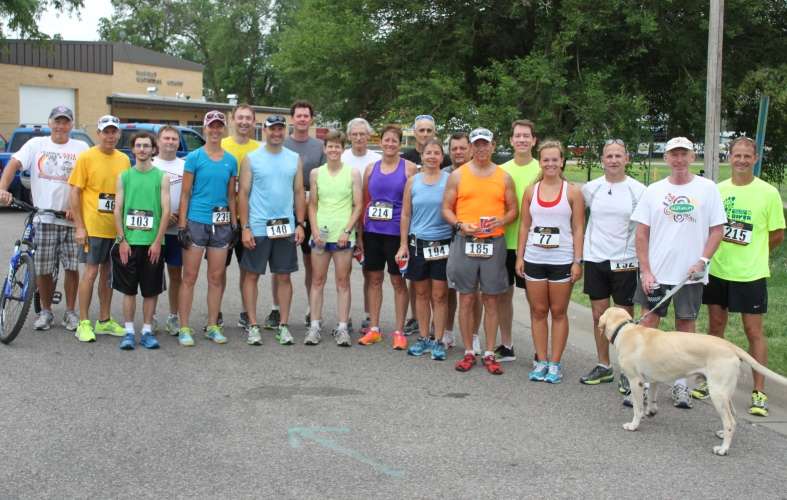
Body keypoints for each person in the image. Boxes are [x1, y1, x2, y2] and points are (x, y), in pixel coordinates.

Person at [631, 136, 726, 408]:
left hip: (690, 276)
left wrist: (703, 260)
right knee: (647, 327)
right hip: (657, 275)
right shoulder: (654, 190)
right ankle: (643, 384)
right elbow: (642, 233)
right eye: (674, 154)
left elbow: (717, 229)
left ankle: (681, 386)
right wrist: (646, 271)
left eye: (684, 154)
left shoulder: (707, 189)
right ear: (667, 158)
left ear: (692, 156)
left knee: (686, 330)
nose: (679, 159)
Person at [700, 136, 785, 416]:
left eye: (747, 156)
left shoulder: (768, 193)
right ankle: (709, 380)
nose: (741, 161)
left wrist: (755, 252)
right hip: (719, 271)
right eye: (737, 155)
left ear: (756, 158)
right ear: (729, 157)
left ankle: (759, 392)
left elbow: (776, 235)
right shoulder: (717, 190)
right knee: (716, 329)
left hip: (750, 275)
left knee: (753, 332)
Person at [0, 105, 87, 331]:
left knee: (71, 267)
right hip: (44, 218)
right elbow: (13, 165)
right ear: (50, 123)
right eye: (57, 121)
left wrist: (77, 209)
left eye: (65, 121)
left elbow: (88, 181)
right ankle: (46, 311)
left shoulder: (81, 147)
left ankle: (70, 312)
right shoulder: (36, 144)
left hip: (70, 219)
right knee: (44, 269)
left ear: (71, 125)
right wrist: (2, 188)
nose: (60, 126)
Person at [443, 127, 517, 375]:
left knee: (492, 298)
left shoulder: (504, 176)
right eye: (477, 144)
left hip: (493, 243)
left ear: (493, 146)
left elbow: (513, 210)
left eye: (486, 144)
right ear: (471, 147)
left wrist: (502, 221)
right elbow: (446, 209)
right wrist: (460, 224)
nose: (481, 148)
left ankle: (489, 351)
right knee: (466, 297)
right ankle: (468, 351)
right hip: (466, 241)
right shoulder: (458, 175)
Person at [515, 140, 584, 384]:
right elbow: (525, 225)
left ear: (562, 161)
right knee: (538, 311)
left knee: (558, 311)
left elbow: (578, 228)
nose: (550, 164)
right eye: (546, 159)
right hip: (534, 258)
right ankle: (541, 360)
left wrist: (577, 261)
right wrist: (520, 256)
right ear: (540, 161)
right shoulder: (531, 191)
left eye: (555, 159)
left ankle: (555, 363)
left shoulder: (572, 191)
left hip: (561, 260)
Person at [579, 139, 645, 385]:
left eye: (618, 156)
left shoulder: (638, 190)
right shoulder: (591, 189)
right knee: (599, 315)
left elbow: (644, 228)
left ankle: (628, 371)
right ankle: (603, 365)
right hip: (596, 258)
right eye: (609, 156)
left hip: (625, 261)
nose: (614, 160)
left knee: (624, 318)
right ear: (602, 160)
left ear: (627, 159)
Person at [238, 114, 306, 346]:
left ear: (284, 131)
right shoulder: (251, 158)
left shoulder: (294, 158)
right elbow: (243, 194)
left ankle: (283, 326)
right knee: (252, 275)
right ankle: (254, 325)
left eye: (280, 129)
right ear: (264, 131)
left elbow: (298, 192)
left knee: (284, 276)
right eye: (272, 129)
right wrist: (245, 227)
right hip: (257, 226)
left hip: (284, 228)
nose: (276, 133)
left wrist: (300, 223)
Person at [260, 100, 325, 331]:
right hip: (281, 212)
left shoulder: (319, 146)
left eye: (306, 116)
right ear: (292, 119)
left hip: (311, 213)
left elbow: (324, 179)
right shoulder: (281, 142)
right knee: (279, 266)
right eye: (298, 115)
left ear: (311, 119)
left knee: (311, 264)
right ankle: (276, 308)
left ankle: (311, 310)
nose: (302, 119)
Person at [176, 110, 238, 346]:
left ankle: (212, 325)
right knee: (189, 277)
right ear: (205, 129)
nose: (215, 130)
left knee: (216, 277)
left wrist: (234, 224)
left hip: (221, 224)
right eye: (211, 126)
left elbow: (231, 196)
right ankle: (184, 327)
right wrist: (182, 225)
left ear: (223, 129)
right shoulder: (194, 157)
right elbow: (185, 193)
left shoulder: (231, 160)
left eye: (218, 126)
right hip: (196, 222)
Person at [68, 114, 130, 342]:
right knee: (91, 273)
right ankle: (83, 322)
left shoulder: (124, 159)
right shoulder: (86, 157)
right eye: (106, 131)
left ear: (118, 134)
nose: (110, 136)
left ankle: (104, 320)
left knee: (108, 276)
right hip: (93, 227)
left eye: (114, 131)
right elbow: (74, 192)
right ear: (99, 133)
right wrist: (79, 226)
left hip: (114, 229)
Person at [357, 125, 417, 348]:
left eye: (394, 141)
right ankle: (374, 328)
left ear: (399, 144)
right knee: (373, 280)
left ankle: (399, 331)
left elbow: (413, 206)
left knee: (398, 281)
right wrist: (360, 237)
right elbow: (365, 203)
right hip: (372, 232)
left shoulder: (410, 169)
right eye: (386, 140)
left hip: (396, 235)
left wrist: (405, 242)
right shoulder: (371, 169)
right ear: (380, 142)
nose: (390, 144)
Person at [111, 132, 170, 350]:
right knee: (128, 290)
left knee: (151, 290)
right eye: (139, 145)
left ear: (154, 150)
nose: (143, 149)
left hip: (153, 243)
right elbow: (117, 209)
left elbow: (166, 211)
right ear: (133, 149)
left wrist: (157, 241)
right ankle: (128, 331)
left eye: (147, 146)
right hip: (130, 242)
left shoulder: (161, 177)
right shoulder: (124, 176)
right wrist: (122, 240)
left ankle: (146, 330)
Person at [396, 138, 452, 361]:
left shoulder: (450, 180)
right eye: (428, 152)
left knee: (439, 295)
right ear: (422, 156)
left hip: (442, 244)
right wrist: (403, 244)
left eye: (436, 153)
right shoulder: (413, 181)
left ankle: (438, 340)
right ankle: (423, 337)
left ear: (441, 157)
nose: (431, 156)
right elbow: (406, 214)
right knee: (420, 293)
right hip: (418, 243)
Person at [307, 130, 362, 346]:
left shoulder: (353, 173)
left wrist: (347, 231)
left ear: (343, 149)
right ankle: (314, 326)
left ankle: (342, 328)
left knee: (343, 282)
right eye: (330, 146)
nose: (333, 150)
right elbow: (312, 204)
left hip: (343, 235)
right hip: (320, 234)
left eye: (337, 146)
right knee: (317, 281)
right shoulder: (315, 173)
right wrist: (315, 231)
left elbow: (358, 205)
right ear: (324, 148)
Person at [497, 119, 540, 362]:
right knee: (504, 295)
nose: (522, 139)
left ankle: (539, 350)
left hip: (534, 246)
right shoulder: (501, 171)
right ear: (511, 140)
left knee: (535, 301)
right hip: (505, 242)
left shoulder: (542, 169)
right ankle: (506, 345)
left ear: (534, 140)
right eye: (518, 136)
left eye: (527, 136)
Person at [221, 104, 260, 330]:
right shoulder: (221, 145)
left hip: (251, 219)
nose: (244, 122)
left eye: (248, 118)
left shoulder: (259, 149)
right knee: (218, 270)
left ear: (254, 122)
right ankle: (215, 313)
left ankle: (247, 313)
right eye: (240, 117)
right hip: (223, 219)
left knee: (248, 270)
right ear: (232, 120)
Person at [341, 117, 381, 331]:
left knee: (369, 271)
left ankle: (368, 315)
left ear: (368, 136)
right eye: (354, 134)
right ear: (349, 137)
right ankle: (344, 317)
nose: (358, 138)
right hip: (345, 221)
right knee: (343, 271)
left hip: (370, 223)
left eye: (362, 134)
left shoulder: (376, 159)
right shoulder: (342, 157)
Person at [442, 131, 481, 351]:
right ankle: (447, 332)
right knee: (447, 289)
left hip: (472, 238)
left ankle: (474, 335)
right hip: (445, 237)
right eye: (454, 148)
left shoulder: (481, 173)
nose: (458, 152)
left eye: (462, 148)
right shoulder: (444, 174)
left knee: (473, 292)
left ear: (470, 149)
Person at [152, 126, 185, 335]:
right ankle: (151, 317)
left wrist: (178, 215)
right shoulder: (151, 164)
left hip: (176, 229)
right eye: (166, 138)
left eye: (174, 139)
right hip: (154, 231)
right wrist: (161, 218)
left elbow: (189, 194)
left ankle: (173, 317)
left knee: (176, 275)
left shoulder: (185, 166)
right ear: (158, 141)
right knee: (152, 275)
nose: (170, 142)